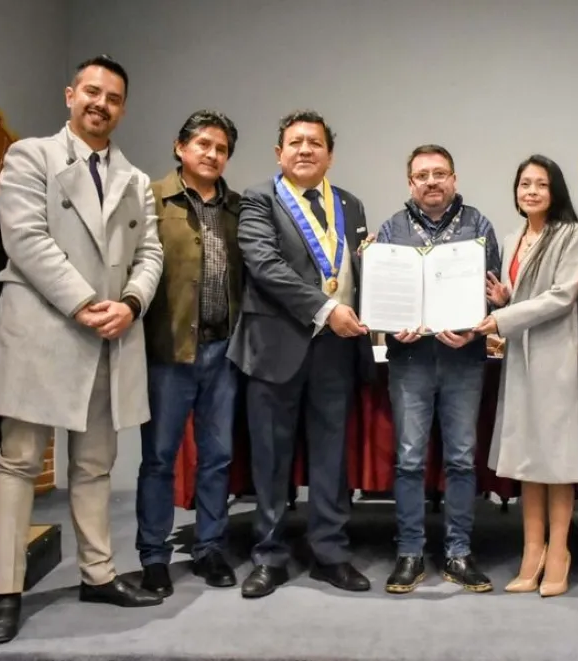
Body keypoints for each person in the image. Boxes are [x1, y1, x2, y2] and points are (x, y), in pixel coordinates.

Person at [0, 55, 164, 644]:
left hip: (112, 333)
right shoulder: (31, 156)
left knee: (94, 465)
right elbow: (25, 239)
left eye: (113, 97)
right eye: (92, 92)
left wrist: (130, 302)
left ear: (122, 109)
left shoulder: (134, 179)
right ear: (70, 95)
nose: (101, 103)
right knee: (20, 460)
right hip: (43, 327)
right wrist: (84, 303)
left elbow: (150, 253)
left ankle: (98, 575)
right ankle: (7, 591)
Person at [227, 110, 374, 598]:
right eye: (295, 142)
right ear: (279, 153)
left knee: (331, 458)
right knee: (270, 457)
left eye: (315, 142)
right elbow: (264, 264)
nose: (305, 149)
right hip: (275, 348)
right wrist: (327, 308)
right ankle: (268, 556)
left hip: (336, 351)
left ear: (329, 154)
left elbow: (353, 270)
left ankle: (330, 552)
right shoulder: (258, 199)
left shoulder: (351, 205)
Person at [368, 144, 500, 594]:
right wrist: (391, 328)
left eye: (440, 173)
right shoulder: (391, 228)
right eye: (422, 175)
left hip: (464, 358)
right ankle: (409, 553)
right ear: (410, 183)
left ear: (454, 179)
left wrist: (479, 323)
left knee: (462, 458)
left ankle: (459, 553)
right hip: (410, 361)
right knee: (408, 459)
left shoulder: (478, 225)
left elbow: (492, 290)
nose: (431, 181)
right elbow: (380, 295)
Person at [135, 110, 241, 597]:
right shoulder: (151, 199)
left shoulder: (237, 208)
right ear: (180, 147)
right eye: (203, 144)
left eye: (221, 149)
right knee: (159, 456)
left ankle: (210, 547)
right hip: (169, 351)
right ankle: (154, 556)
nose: (212, 154)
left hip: (224, 351)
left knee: (217, 457)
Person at [477, 154, 578, 598]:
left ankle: (559, 551)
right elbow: (523, 296)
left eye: (541, 184)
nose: (531, 192)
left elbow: (562, 297)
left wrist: (504, 317)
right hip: (518, 360)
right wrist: (505, 297)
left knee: (555, 460)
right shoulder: (513, 237)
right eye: (525, 184)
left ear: (555, 191)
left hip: (555, 357)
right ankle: (531, 551)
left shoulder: (572, 234)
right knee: (527, 458)